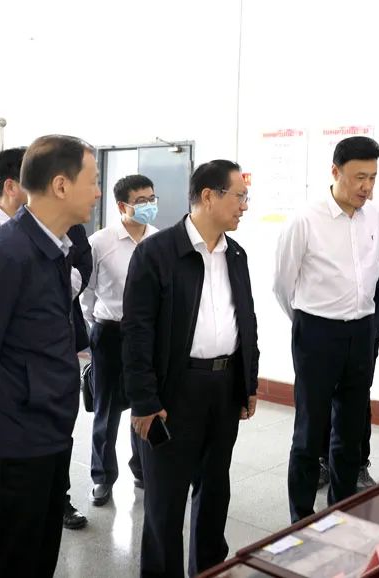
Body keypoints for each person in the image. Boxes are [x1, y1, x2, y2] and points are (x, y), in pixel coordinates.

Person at [0, 135, 101, 576]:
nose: (98, 192)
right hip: (13, 440)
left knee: (36, 555)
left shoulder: (53, 249)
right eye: (92, 181)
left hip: (48, 430)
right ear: (61, 185)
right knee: (5, 561)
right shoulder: (6, 254)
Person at [122, 160, 259, 578]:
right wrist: (144, 401)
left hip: (223, 387)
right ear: (208, 196)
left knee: (215, 493)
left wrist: (248, 383)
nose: (244, 206)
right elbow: (136, 333)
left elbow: (246, 320)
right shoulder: (157, 253)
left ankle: (210, 571)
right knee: (165, 504)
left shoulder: (236, 254)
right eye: (239, 197)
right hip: (174, 391)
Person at [274, 136, 379, 522]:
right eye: (359, 177)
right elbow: (282, 284)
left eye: (372, 177)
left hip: (362, 331)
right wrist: (308, 324)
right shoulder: (305, 220)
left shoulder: (376, 217)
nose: (366, 187)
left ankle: (342, 510)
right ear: (335, 172)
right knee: (310, 431)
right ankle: (301, 518)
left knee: (351, 431)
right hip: (316, 333)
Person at [80, 174, 158, 505]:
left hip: (147, 335)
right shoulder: (101, 242)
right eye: (141, 201)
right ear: (122, 205)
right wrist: (96, 322)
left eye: (152, 199)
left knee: (144, 403)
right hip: (110, 332)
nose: (149, 205)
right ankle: (102, 477)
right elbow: (87, 291)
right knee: (107, 410)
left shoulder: (158, 240)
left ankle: (142, 469)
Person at [318, 222, 379, 490]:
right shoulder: (322, 226)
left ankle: (359, 465)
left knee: (358, 397)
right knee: (324, 394)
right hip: (327, 324)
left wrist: (341, 270)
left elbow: (378, 275)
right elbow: (316, 275)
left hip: (367, 327)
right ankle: (324, 462)